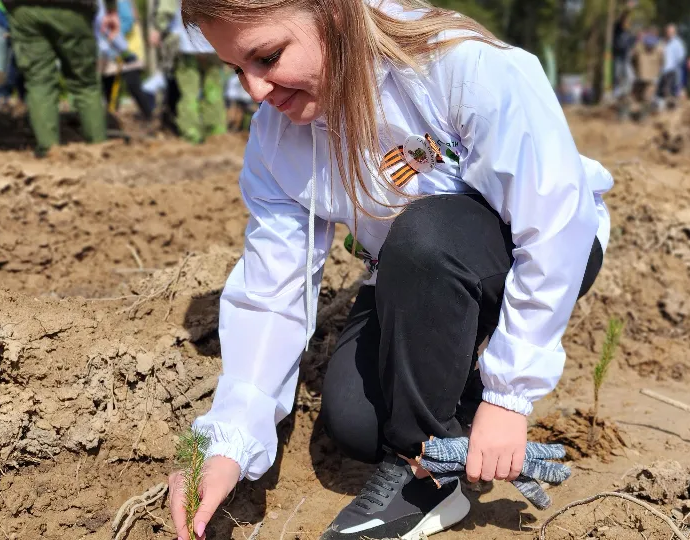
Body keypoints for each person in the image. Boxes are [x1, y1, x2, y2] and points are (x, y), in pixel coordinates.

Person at [165, 1, 614, 540]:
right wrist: (228, 442)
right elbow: (273, 292)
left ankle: (424, 474)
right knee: (357, 421)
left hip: (531, 248)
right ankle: (455, 405)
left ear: (333, 13)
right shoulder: (276, 141)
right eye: (237, 69)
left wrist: (508, 398)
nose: (256, 91)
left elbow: (554, 227)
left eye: (267, 57)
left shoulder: (459, 68)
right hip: (412, 272)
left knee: (426, 235)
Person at [0, 0, 120, 157]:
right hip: (74, 8)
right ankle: (98, 146)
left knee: (38, 81)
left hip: (25, 10)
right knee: (85, 84)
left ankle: (49, 149)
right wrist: (111, 10)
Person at [152, 0, 227, 143]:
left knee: (189, 94)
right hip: (213, 43)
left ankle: (192, 135)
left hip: (186, 45)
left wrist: (158, 29)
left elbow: (166, 10)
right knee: (214, 92)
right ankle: (216, 134)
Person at [96, 0, 155, 122]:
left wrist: (109, 34)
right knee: (109, 86)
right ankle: (112, 119)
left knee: (133, 85)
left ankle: (149, 117)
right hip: (111, 51)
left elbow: (128, 21)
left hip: (128, 49)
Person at [630, 28, 664, 118]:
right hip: (650, 77)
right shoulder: (660, 48)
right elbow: (662, 62)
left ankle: (637, 115)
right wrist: (657, 72)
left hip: (641, 76)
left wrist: (636, 70)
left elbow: (632, 60)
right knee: (646, 97)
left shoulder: (638, 46)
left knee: (638, 97)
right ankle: (643, 116)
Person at [659, 24, 686, 108]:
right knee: (662, 90)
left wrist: (676, 67)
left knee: (672, 90)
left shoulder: (678, 43)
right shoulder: (662, 41)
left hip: (673, 70)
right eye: (667, 31)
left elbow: (681, 57)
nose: (669, 33)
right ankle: (664, 107)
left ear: (674, 32)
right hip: (662, 71)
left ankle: (674, 107)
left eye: (671, 32)